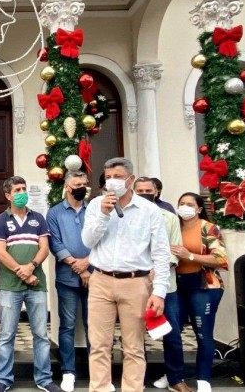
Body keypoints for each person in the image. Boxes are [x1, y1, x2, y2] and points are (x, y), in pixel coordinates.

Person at [81, 158, 169, 392]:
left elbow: (161, 253)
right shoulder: (96, 205)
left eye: (118, 177)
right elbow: (87, 241)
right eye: (108, 177)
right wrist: (103, 214)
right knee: (99, 345)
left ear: (130, 179)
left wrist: (159, 292)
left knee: (133, 347)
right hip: (100, 280)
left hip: (136, 282)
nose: (112, 182)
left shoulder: (149, 210)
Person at [0, 176, 62, 392]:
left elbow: (44, 248)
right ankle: (3, 379)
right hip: (10, 286)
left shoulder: (38, 218)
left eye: (24, 188)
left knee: (40, 333)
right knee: (6, 335)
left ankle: (44, 379)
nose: (22, 193)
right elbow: (1, 253)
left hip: (36, 286)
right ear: (8, 195)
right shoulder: (1, 220)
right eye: (17, 190)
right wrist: (23, 273)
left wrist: (30, 267)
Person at [167, 192, 227, 392]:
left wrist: (189, 255)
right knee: (172, 332)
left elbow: (220, 259)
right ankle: (173, 376)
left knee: (202, 333)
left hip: (203, 287)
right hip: (176, 286)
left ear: (199, 208)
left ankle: (203, 379)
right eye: (181, 203)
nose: (184, 207)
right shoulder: (174, 225)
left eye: (189, 204)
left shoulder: (208, 228)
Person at [48, 171, 92, 392]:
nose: (82, 187)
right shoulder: (55, 212)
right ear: (67, 187)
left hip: (95, 277)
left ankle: (98, 373)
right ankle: (68, 372)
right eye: (77, 184)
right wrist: (77, 265)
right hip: (67, 278)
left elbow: (103, 238)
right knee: (67, 325)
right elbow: (55, 242)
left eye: (84, 184)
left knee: (95, 325)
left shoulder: (93, 209)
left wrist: (87, 263)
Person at [139, 181, 183, 392]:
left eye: (149, 191)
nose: (145, 194)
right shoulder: (124, 218)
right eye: (140, 191)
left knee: (171, 332)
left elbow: (175, 250)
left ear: (157, 192)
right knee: (135, 333)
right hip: (136, 284)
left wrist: (160, 268)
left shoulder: (170, 218)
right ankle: (137, 377)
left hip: (166, 285)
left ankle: (175, 378)